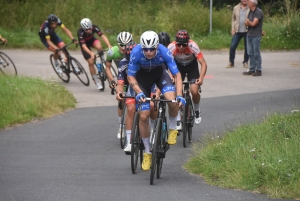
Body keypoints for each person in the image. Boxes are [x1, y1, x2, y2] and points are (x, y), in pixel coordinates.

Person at [127, 30, 185, 171]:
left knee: (171, 101)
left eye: (151, 49)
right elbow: (131, 77)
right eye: (145, 49)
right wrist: (139, 92)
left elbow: (177, 74)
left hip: (160, 75)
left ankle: (172, 127)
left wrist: (179, 94)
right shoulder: (136, 53)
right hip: (142, 80)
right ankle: (147, 152)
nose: (148, 52)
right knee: (143, 116)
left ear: (157, 46)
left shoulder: (164, 51)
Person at [168, 30, 207, 130]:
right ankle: (177, 118)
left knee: (194, 91)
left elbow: (203, 64)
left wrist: (201, 78)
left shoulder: (193, 46)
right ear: (175, 43)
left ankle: (197, 110)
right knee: (177, 90)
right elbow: (167, 64)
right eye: (179, 45)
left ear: (188, 43)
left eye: (183, 45)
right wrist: (170, 76)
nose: (181, 47)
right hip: (178, 67)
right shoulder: (171, 47)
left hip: (191, 67)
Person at [106, 31, 133, 139]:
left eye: (126, 45)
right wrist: (112, 81)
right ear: (118, 44)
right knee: (121, 99)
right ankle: (121, 126)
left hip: (134, 76)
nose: (123, 47)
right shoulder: (112, 52)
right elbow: (107, 67)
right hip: (122, 76)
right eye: (121, 45)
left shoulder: (134, 51)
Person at [77, 18, 112, 90]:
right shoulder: (80, 32)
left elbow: (102, 36)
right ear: (83, 29)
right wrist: (91, 53)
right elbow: (83, 46)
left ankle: (103, 64)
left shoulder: (94, 27)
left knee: (99, 47)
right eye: (86, 30)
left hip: (92, 40)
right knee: (91, 61)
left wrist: (109, 45)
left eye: (89, 28)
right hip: (85, 45)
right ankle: (96, 80)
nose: (89, 30)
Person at [227, 0, 250, 68]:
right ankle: (231, 62)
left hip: (247, 30)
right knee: (232, 46)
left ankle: (245, 62)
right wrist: (233, 28)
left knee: (247, 47)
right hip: (237, 31)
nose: (245, 0)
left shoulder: (250, 7)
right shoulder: (236, 8)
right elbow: (233, 19)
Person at [243, 0, 264, 76]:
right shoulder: (250, 11)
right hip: (249, 34)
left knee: (256, 53)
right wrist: (249, 22)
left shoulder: (258, 12)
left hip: (256, 35)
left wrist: (249, 22)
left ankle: (258, 70)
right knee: (250, 53)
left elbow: (254, 23)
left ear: (253, 3)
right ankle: (252, 69)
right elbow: (246, 23)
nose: (247, 3)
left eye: (248, 2)